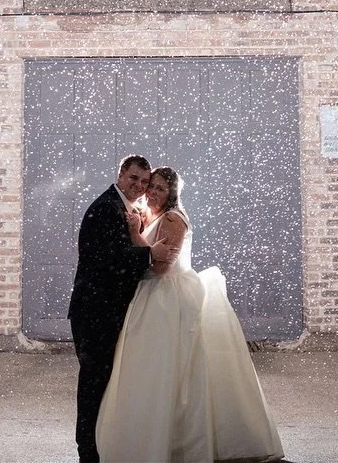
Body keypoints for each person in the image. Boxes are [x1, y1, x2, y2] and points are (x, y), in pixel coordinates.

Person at [96, 166, 283, 463]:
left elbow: (160, 267)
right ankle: (151, 436)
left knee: (173, 368)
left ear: (172, 193)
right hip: (150, 296)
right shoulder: (152, 214)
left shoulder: (173, 219)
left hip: (167, 297)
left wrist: (134, 233)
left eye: (159, 188)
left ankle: (179, 443)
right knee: (150, 369)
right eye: (151, 186)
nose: (152, 192)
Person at [68, 154, 163, 463]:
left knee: (104, 381)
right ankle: (88, 452)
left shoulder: (125, 207)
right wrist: (152, 255)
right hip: (95, 312)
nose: (139, 185)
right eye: (134, 178)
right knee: (94, 382)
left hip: (106, 310)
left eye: (145, 182)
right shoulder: (105, 208)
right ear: (121, 174)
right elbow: (110, 261)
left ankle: (101, 445)